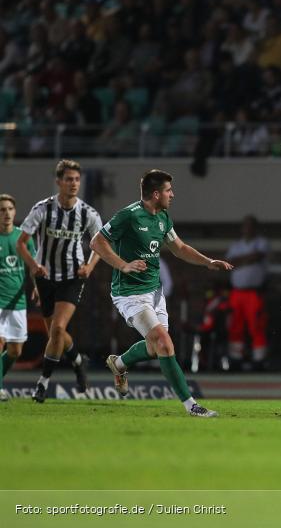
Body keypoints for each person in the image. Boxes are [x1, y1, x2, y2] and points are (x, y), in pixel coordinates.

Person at [90, 169, 233, 417]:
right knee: (164, 344)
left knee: (155, 347)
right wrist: (123, 265)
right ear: (156, 194)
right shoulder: (128, 215)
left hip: (155, 292)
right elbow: (97, 242)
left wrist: (208, 262)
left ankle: (119, 363)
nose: (172, 195)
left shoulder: (163, 217)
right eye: (168, 190)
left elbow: (179, 248)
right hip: (130, 293)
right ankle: (191, 405)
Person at [17, 160, 102, 403]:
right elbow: (21, 243)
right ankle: (78, 361)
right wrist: (34, 267)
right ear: (58, 182)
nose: (73, 184)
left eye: (76, 179)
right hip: (45, 278)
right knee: (56, 335)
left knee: (57, 329)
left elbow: (100, 245)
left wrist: (89, 266)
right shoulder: (43, 209)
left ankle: (42, 384)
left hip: (72, 277)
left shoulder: (88, 213)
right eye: (68, 179)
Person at [0, 194, 37, 401]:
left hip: (18, 302)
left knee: (15, 351)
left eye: (9, 209)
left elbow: (33, 265)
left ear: (14, 212)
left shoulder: (22, 238)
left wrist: (37, 287)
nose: (6, 213)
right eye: (2, 210)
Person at [225, 214, 269, 370]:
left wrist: (239, 261)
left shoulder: (261, 242)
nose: (247, 228)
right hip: (237, 292)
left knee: (256, 325)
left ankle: (259, 359)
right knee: (235, 325)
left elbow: (258, 256)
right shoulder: (236, 245)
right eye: (245, 225)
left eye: (250, 225)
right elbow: (229, 263)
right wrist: (247, 259)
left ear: (255, 227)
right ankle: (236, 358)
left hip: (254, 292)